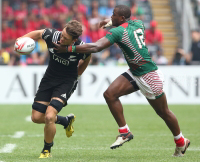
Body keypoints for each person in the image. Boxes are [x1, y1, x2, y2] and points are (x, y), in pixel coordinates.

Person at [54, 5, 190, 157]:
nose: (111, 16)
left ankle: (181, 141)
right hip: (136, 71)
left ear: (122, 19)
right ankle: (124, 132)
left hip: (148, 76)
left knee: (163, 112)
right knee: (110, 94)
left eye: (113, 15)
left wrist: (68, 49)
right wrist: (108, 22)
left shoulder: (118, 31)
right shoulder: (138, 23)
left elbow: (96, 47)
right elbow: (124, 24)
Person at [15, 20, 91, 158]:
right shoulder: (53, 35)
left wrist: (78, 75)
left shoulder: (81, 48)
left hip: (66, 82)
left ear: (74, 40)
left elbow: (87, 58)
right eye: (62, 34)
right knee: (36, 117)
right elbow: (38, 33)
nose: (61, 38)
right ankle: (65, 121)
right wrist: (22, 39)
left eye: (65, 38)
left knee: (49, 116)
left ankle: (46, 150)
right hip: (49, 79)